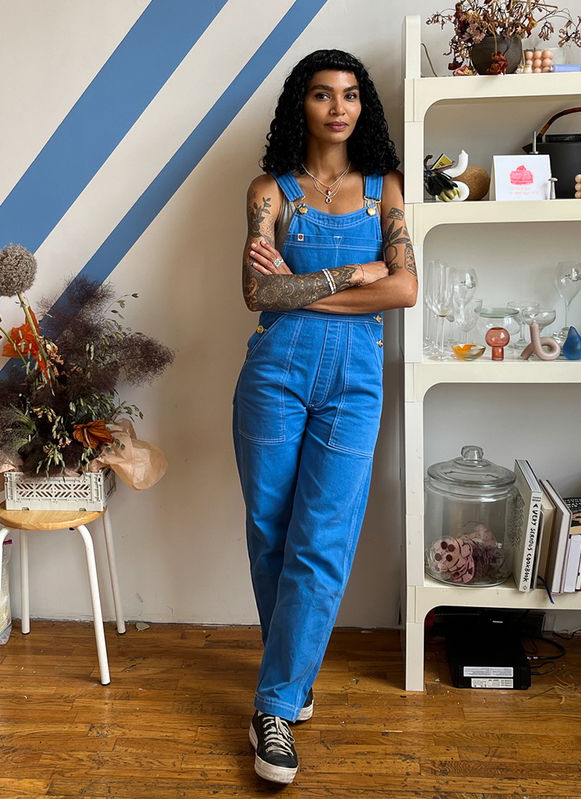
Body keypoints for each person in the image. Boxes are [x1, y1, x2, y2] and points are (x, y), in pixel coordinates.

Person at [232, 49, 417, 784]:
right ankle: (293, 684)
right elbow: (254, 296)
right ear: (299, 106)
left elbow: (404, 290)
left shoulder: (387, 191)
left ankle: (273, 705)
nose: (338, 107)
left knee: (323, 541)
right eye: (321, 94)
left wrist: (301, 288)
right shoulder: (268, 192)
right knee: (271, 535)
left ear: (362, 106)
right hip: (272, 379)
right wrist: (353, 273)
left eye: (349, 95)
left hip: (354, 384)